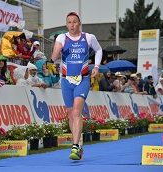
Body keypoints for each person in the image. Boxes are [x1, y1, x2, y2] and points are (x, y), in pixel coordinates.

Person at [51, 11, 102, 160]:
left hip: (83, 79)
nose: (72, 25)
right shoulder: (62, 37)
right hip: (66, 81)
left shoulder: (88, 37)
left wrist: (97, 67)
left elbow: (99, 50)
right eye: (69, 22)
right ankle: (79, 146)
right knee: (70, 114)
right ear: (66, 24)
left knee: (76, 112)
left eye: (74, 22)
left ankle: (74, 146)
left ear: (79, 23)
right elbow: (53, 58)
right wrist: (57, 50)